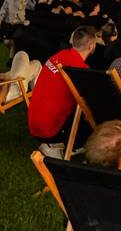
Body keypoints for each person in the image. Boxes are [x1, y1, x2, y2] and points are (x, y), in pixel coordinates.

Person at [29, 26, 101, 155]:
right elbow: (87, 105)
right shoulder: (80, 70)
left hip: (34, 124)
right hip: (50, 131)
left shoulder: (59, 55)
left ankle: (55, 143)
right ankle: (61, 145)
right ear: (91, 46)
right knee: (94, 113)